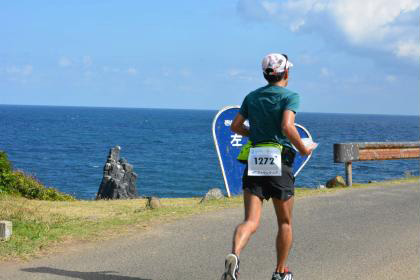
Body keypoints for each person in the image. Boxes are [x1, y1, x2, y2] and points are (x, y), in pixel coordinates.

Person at [220, 53, 317, 280]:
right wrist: (303, 149)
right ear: (286, 73)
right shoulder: (290, 96)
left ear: (265, 74)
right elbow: (287, 126)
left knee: (250, 221)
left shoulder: (252, 97)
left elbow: (235, 125)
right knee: (284, 222)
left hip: (255, 158)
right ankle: (280, 272)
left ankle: (234, 255)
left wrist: (254, 132)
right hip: (279, 161)